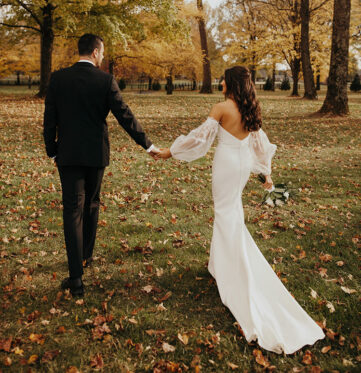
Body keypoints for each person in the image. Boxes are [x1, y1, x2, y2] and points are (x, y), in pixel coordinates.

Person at [157, 66, 325, 354]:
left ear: (230, 83)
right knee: (231, 214)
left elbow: (199, 138)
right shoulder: (250, 108)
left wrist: (169, 151)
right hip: (242, 166)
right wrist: (266, 173)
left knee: (225, 215)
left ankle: (235, 272)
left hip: (226, 165)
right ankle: (218, 264)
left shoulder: (222, 107)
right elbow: (259, 142)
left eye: (224, 78)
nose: (220, 82)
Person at [43, 34, 159, 297]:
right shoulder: (105, 80)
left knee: (73, 210)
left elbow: (49, 118)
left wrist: (52, 150)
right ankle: (85, 257)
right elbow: (124, 115)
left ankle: (76, 278)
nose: (103, 57)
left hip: (68, 154)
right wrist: (148, 145)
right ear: (95, 52)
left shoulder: (59, 79)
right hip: (96, 155)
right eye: (102, 53)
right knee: (92, 203)